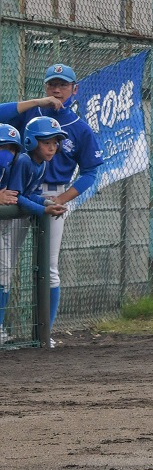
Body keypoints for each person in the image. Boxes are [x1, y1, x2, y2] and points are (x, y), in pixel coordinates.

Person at [0, 63, 104, 340]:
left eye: (63, 84)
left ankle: (45, 334)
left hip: (53, 194)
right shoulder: (31, 114)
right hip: (18, 192)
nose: (57, 89)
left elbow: (91, 171)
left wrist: (62, 198)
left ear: (74, 89)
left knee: (50, 267)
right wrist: (37, 102)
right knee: (5, 262)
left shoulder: (80, 128)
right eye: (51, 84)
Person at [0, 118, 70, 346]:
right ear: (31, 142)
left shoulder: (40, 164)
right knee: (3, 271)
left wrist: (45, 203)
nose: (52, 147)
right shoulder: (22, 162)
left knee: (4, 272)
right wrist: (42, 209)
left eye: (55, 143)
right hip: (6, 222)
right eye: (46, 142)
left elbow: (26, 194)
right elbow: (18, 197)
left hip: (8, 222)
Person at [0, 124, 23, 343]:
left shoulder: (9, 170)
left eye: (11, 148)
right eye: (2, 147)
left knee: (4, 272)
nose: (7, 153)